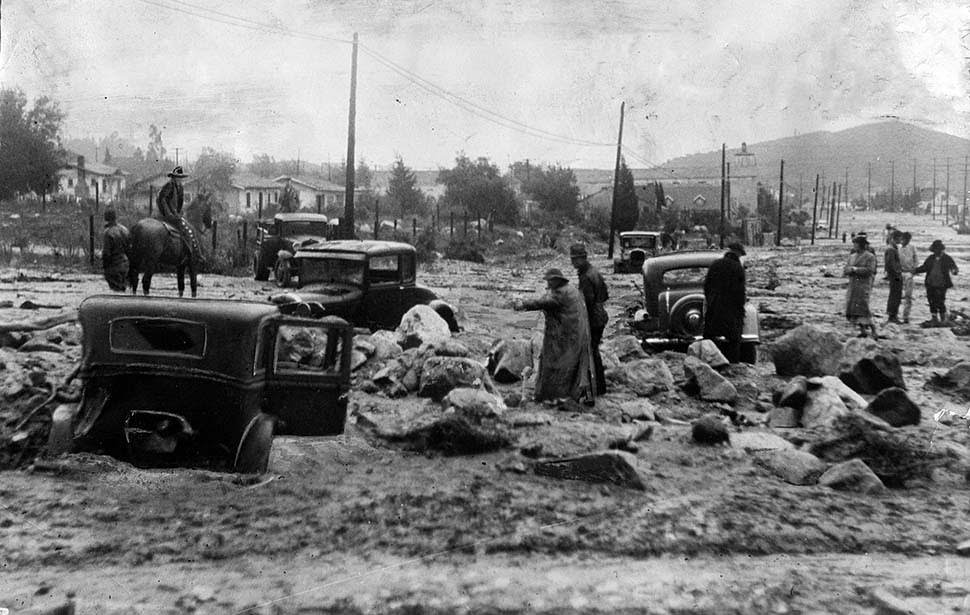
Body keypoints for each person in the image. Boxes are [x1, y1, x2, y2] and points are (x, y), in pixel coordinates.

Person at [512, 268, 595, 404]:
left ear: (556, 281)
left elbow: (544, 303)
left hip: (564, 335)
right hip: (576, 333)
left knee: (554, 364)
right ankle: (574, 394)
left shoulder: (561, 294)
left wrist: (523, 304)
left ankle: (549, 396)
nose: (548, 284)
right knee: (572, 366)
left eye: (550, 281)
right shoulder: (570, 289)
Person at [569, 243, 609, 395]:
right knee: (593, 351)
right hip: (600, 316)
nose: (572, 262)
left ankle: (595, 388)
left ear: (581, 259)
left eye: (574, 259)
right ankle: (598, 386)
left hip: (593, 319)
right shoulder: (594, 271)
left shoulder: (586, 276)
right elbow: (605, 295)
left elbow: (587, 303)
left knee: (590, 353)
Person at [703, 242, 747, 362]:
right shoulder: (738, 268)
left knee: (709, 338)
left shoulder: (715, 264)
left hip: (714, 308)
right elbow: (740, 292)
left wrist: (710, 301)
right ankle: (733, 364)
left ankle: (708, 362)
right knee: (734, 340)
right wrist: (741, 308)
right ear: (738, 254)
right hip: (731, 310)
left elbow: (706, 286)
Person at [156, 165, 201, 261]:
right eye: (177, 177)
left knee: (189, 228)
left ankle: (188, 252)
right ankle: (192, 252)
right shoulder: (169, 186)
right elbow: (163, 199)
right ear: (173, 177)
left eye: (180, 178)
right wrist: (169, 214)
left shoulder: (179, 188)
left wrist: (179, 213)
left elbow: (179, 204)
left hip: (175, 213)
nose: (179, 180)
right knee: (188, 229)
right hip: (168, 214)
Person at [914, 239, 959, 326]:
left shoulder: (947, 258)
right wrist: (915, 270)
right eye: (935, 249)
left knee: (941, 301)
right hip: (930, 283)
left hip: (942, 283)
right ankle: (934, 319)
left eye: (938, 249)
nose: (936, 251)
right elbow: (924, 267)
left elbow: (954, 267)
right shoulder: (930, 258)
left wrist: (955, 271)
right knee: (931, 301)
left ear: (941, 249)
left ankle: (943, 319)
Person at [844, 235, 878, 338]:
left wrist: (855, 270)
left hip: (863, 286)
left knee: (864, 308)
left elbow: (870, 270)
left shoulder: (870, 256)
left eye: (856, 243)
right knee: (854, 309)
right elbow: (846, 268)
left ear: (861, 245)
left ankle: (873, 330)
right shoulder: (852, 256)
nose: (854, 246)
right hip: (853, 285)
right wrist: (848, 270)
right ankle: (862, 330)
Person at [101, 208, 129, 292]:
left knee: (116, 290)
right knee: (122, 289)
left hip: (114, 266)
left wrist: (104, 266)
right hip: (126, 264)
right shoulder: (125, 230)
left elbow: (106, 253)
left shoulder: (108, 232)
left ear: (106, 218)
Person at [898, 231, 918, 323]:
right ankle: (895, 316)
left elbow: (916, 260)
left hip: (909, 273)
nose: (905, 241)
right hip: (899, 273)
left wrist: (913, 270)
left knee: (908, 296)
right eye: (904, 239)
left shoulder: (912, 247)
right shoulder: (898, 248)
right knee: (897, 295)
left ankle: (906, 316)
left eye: (907, 239)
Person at [884, 230, 903, 323]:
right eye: (900, 238)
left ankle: (893, 315)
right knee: (895, 296)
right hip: (895, 276)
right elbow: (890, 264)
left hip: (895, 275)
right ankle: (892, 316)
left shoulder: (893, 248)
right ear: (896, 238)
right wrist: (897, 273)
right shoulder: (891, 249)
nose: (901, 240)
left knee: (896, 295)